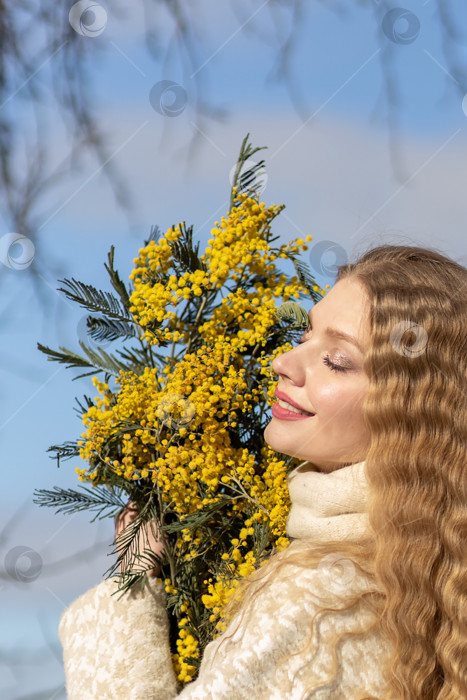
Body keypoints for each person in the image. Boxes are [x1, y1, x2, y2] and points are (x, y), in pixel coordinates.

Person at [58, 244, 467, 700]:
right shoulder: (433, 587)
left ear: (412, 412)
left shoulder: (320, 602)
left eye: (336, 360)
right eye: (305, 335)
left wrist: (130, 592)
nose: (283, 363)